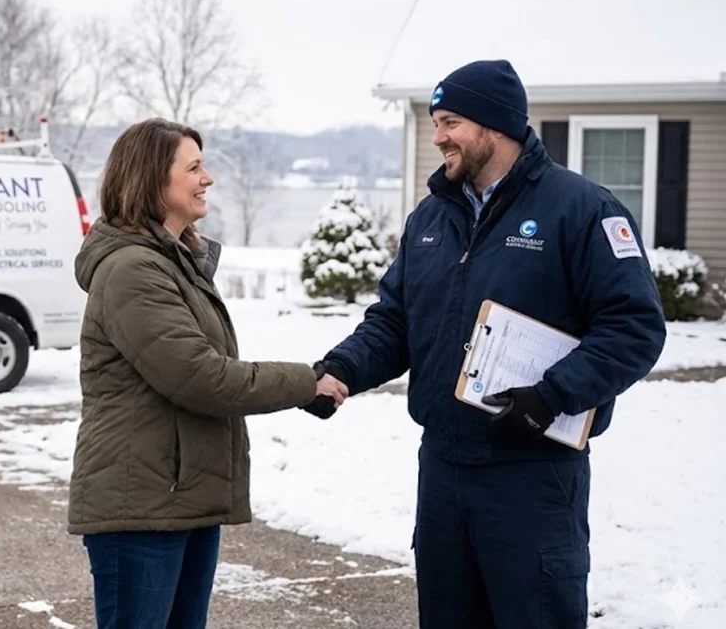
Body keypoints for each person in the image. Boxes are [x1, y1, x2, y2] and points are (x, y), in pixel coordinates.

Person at [312, 59, 667, 629]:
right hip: (444, 471)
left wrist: (553, 395)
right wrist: (342, 368)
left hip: (531, 476)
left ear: (494, 125)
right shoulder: (431, 218)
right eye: (434, 122)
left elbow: (635, 327)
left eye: (451, 121)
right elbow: (396, 320)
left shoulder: (581, 210)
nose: (438, 137)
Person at [68, 117, 348, 629]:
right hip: (141, 509)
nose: (208, 178)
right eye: (194, 167)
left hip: (178, 498)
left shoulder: (173, 262)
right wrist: (305, 382)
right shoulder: (132, 269)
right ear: (153, 179)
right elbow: (200, 377)